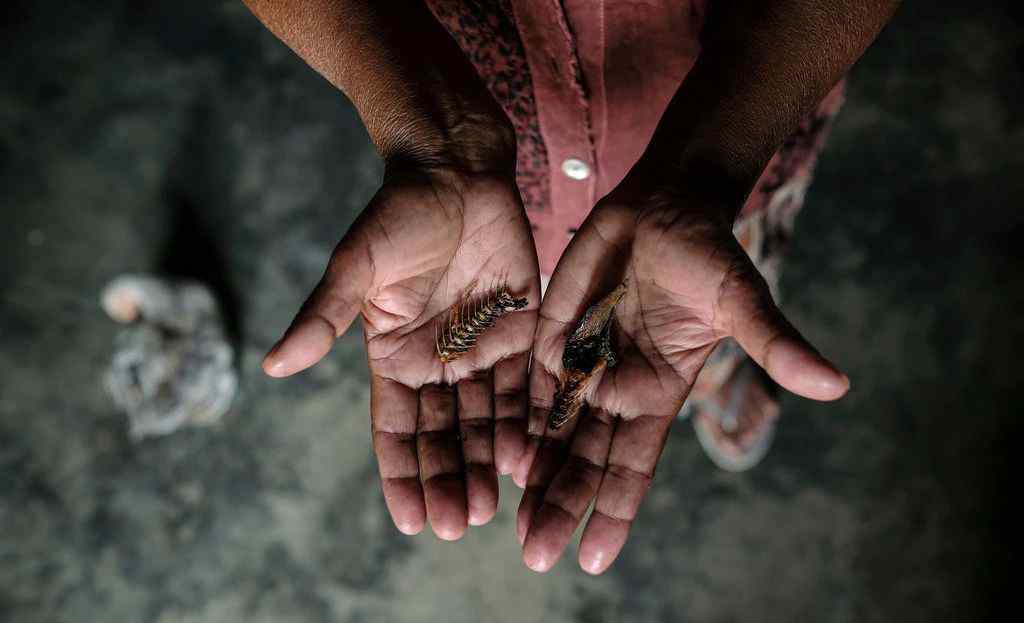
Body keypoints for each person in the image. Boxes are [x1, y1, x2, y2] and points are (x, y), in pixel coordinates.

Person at [244, 0, 899, 574]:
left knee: (694, 306)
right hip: (498, 194)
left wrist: (709, 166)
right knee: (662, 317)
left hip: (734, 134)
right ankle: (712, 374)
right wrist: (436, 135)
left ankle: (713, 375)